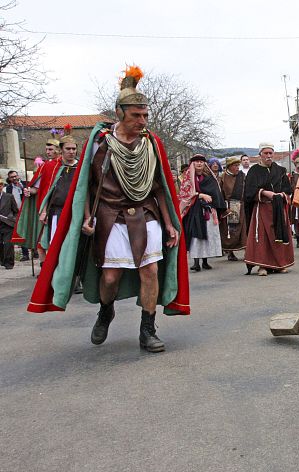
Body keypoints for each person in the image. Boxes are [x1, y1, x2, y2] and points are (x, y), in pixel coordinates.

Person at [28, 65, 189, 352]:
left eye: (145, 115)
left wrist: (169, 223)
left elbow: (159, 186)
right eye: (136, 115)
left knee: (150, 270)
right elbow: (85, 186)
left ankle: (148, 329)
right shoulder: (99, 143)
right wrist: (88, 215)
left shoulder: (151, 144)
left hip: (146, 212)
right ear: (120, 113)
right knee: (110, 277)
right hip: (109, 215)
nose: (143, 120)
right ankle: (106, 310)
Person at [243, 143, 294, 276]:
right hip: (262, 208)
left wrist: (281, 195)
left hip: (278, 208)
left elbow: (288, 189)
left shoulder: (280, 170)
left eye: (271, 153)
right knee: (263, 238)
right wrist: (264, 192)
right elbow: (249, 191)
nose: (268, 156)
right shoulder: (254, 172)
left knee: (279, 236)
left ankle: (279, 264)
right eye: (266, 153)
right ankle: (262, 266)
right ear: (260, 154)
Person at [13, 134, 62, 262]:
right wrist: (29, 190)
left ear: (58, 149)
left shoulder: (64, 165)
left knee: (55, 242)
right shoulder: (45, 166)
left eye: (51, 149)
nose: (48, 152)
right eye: (47, 149)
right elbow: (37, 188)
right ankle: (43, 269)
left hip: (58, 206)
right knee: (41, 242)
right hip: (43, 207)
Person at [179, 154, 225, 272]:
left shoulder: (209, 178)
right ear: (192, 164)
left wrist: (214, 205)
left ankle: (205, 261)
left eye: (201, 161)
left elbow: (216, 194)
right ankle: (196, 262)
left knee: (208, 234)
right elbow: (185, 194)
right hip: (194, 211)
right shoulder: (188, 179)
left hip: (208, 211)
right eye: (196, 162)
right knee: (196, 234)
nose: (199, 163)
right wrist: (200, 195)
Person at [39, 126, 80, 249]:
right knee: (57, 245)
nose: (71, 151)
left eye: (74, 149)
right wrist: (44, 211)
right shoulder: (51, 166)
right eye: (68, 148)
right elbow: (46, 191)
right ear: (61, 149)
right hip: (57, 211)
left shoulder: (81, 167)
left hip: (76, 213)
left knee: (74, 245)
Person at [219, 155, 247, 261]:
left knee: (243, 229)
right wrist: (224, 208)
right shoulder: (223, 177)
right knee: (231, 230)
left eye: (238, 165)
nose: (237, 168)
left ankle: (246, 251)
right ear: (229, 166)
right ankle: (230, 251)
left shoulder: (242, 176)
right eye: (235, 165)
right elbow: (220, 193)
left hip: (241, 205)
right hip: (230, 206)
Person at [0, 175, 19, 269]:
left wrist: (12, 218)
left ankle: (9, 262)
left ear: (2, 186)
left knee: (8, 244)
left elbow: (16, 210)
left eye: (0, 185)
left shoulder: (9, 196)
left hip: (7, 223)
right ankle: (2, 260)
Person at [289, 148, 299, 248]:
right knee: (296, 220)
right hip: (296, 200)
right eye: (298, 163)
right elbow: (290, 188)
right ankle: (298, 238)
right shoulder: (292, 175)